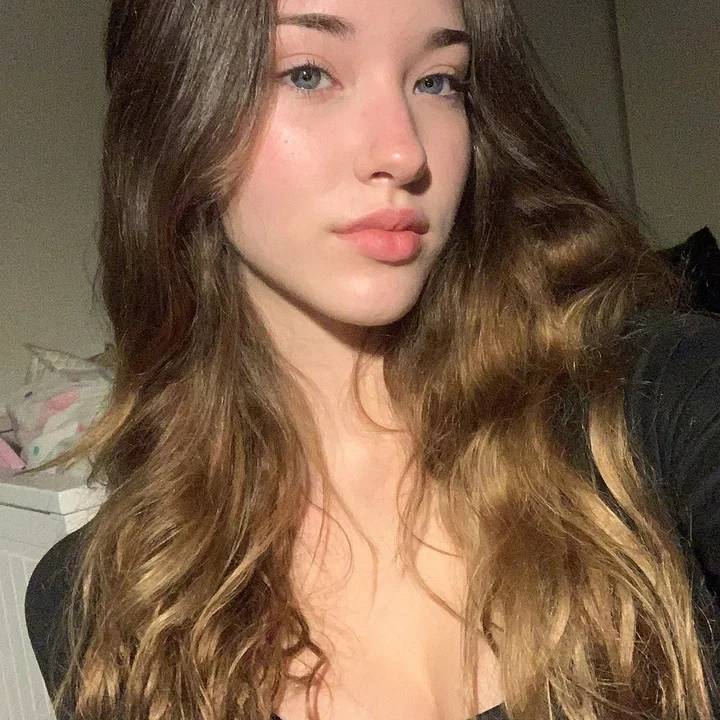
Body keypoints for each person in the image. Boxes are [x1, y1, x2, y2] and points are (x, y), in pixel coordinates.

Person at [22, 0, 720, 718]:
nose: (404, 152)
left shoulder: (652, 408)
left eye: (437, 81)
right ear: (177, 114)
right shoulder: (107, 610)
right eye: (307, 73)